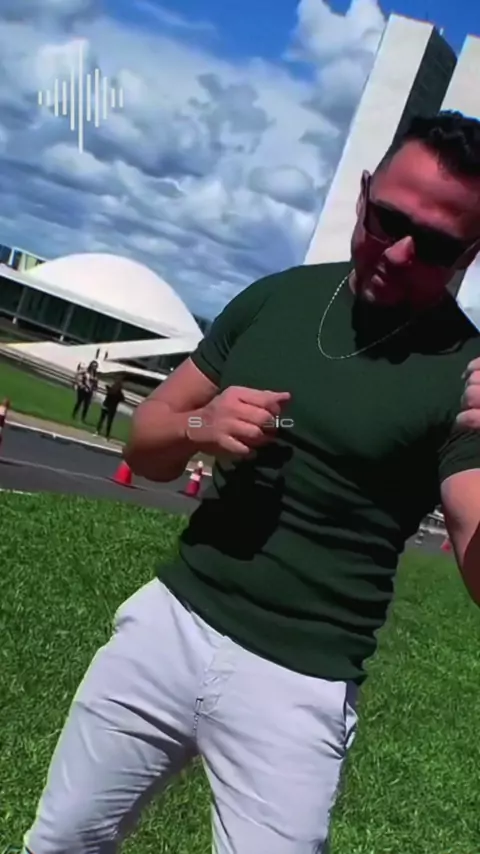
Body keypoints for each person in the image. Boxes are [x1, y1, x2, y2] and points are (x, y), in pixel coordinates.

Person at [24, 110, 480, 854]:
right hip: (172, 624)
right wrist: (201, 425)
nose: (398, 252)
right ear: (363, 193)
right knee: (61, 843)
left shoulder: (466, 376)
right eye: (388, 219)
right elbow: (147, 443)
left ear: (471, 251)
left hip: (301, 681)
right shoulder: (279, 298)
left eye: (433, 244)